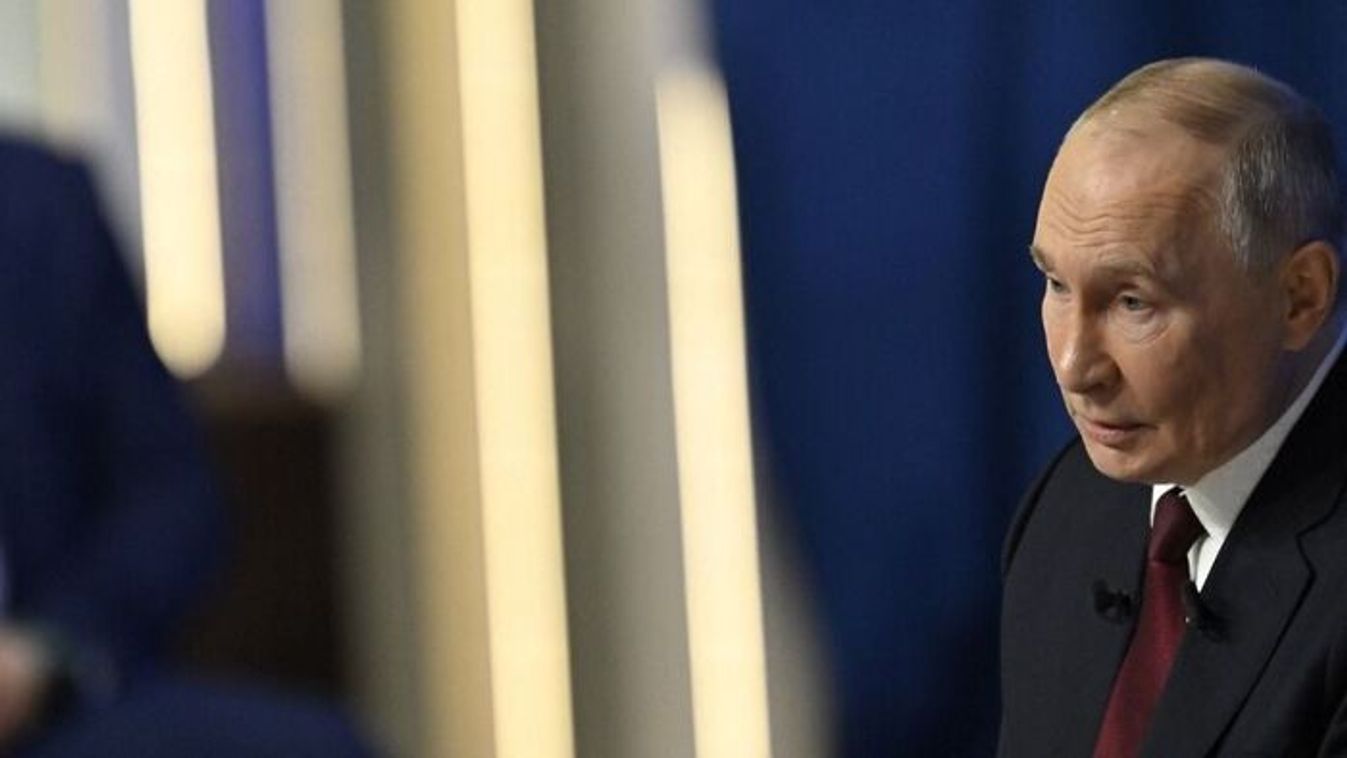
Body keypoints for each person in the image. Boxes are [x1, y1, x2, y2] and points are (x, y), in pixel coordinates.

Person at [1000, 58, 1347, 756]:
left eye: (1133, 301)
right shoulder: (1068, 506)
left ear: (1298, 297)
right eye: (1056, 284)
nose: (1073, 367)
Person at [0, 138, 371, 756]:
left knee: (313, 747)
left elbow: (174, 496)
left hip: (42, 701)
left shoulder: (38, 201)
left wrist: (42, 650)